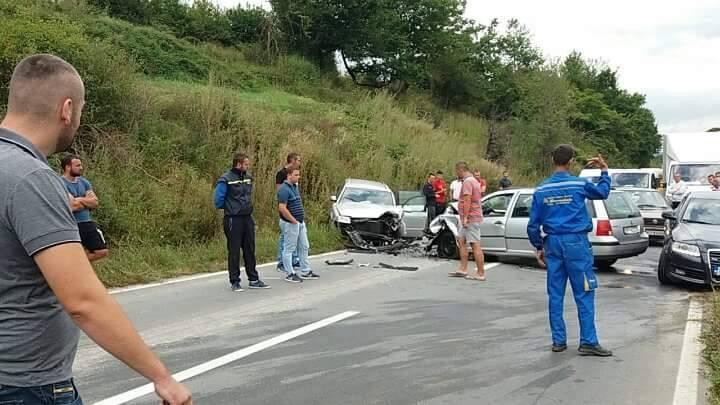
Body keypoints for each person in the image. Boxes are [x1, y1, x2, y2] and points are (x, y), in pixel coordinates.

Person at [0, 54, 191, 404]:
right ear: (67, 109)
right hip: (27, 386)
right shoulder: (31, 179)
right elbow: (82, 301)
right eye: (81, 110)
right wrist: (161, 377)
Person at [526, 144, 613, 357]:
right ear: (571, 161)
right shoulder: (579, 184)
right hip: (576, 243)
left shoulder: (541, 189)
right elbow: (602, 192)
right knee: (584, 291)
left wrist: (539, 246)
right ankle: (588, 341)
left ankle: (558, 341)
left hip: (552, 243)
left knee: (555, 293)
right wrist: (604, 170)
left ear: (552, 160)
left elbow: (532, 225)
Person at [214, 153, 271, 292]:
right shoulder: (226, 179)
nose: (248, 166)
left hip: (247, 217)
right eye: (246, 164)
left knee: (250, 249)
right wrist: (231, 208)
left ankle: (253, 279)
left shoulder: (248, 178)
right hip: (233, 218)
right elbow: (218, 200)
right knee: (234, 251)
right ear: (238, 164)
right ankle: (235, 281)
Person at [61, 154, 109, 262]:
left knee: (102, 251)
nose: (81, 168)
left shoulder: (84, 182)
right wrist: (86, 201)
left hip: (87, 223)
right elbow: (73, 206)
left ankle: (77, 264)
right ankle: (76, 268)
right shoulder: (60, 183)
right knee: (74, 252)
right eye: (77, 165)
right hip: (72, 224)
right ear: (68, 167)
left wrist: (79, 200)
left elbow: (95, 202)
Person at [277, 168, 320, 283]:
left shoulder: (295, 187)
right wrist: (293, 220)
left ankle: (305, 270)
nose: (298, 177)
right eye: (296, 175)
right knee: (289, 248)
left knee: (304, 246)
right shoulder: (284, 189)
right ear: (289, 175)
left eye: (299, 175)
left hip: (300, 222)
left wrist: (299, 221)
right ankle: (290, 273)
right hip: (290, 223)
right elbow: (282, 208)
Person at [448, 162, 485, 281]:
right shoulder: (472, 181)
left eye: (457, 171)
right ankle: (463, 269)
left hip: (471, 218)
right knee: (461, 240)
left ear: (461, 170)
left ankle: (480, 273)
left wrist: (465, 217)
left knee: (475, 244)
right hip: (468, 217)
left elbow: (467, 200)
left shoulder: (468, 182)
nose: (456, 174)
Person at [275, 152, 301, 272]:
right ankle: (282, 261)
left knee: (293, 237)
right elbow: (280, 191)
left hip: (294, 207)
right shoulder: (281, 174)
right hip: (286, 206)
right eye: (298, 160)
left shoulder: (295, 175)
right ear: (292, 161)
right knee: (285, 236)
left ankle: (294, 259)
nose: (300, 163)